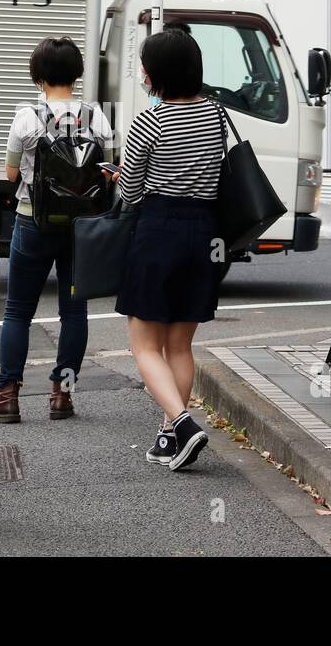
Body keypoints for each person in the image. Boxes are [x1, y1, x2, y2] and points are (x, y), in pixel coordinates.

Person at [0, 37, 115, 423]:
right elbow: (110, 173)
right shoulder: (98, 116)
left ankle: (7, 395)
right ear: (77, 73)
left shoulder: (27, 117)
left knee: (18, 311)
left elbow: (9, 174)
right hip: (82, 229)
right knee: (74, 312)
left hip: (33, 221)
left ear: (37, 75)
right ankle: (62, 395)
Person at [114, 28, 225, 471]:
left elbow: (131, 191)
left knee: (144, 346)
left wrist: (122, 177)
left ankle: (181, 422)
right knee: (179, 346)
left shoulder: (150, 121)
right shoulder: (215, 114)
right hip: (204, 234)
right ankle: (168, 436)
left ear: (157, 73)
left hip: (159, 230)